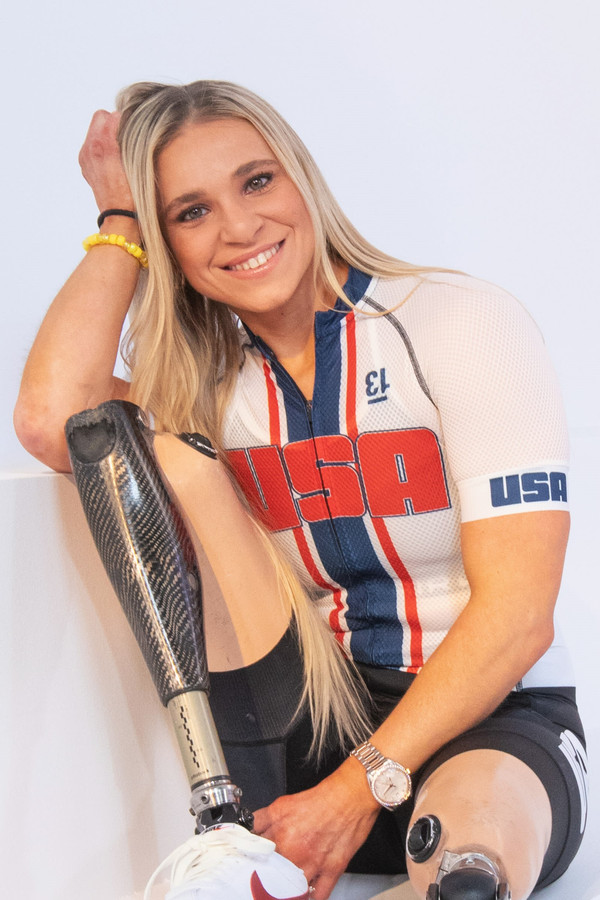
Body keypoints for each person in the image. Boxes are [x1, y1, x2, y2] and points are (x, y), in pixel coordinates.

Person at [14, 80, 588, 900]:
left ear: (302, 179)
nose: (239, 227)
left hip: (487, 720)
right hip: (305, 720)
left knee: (469, 876)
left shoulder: (458, 321)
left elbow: (521, 616)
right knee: (167, 455)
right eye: (190, 212)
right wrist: (119, 222)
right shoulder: (204, 386)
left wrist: (354, 793)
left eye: (257, 181)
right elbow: (55, 419)